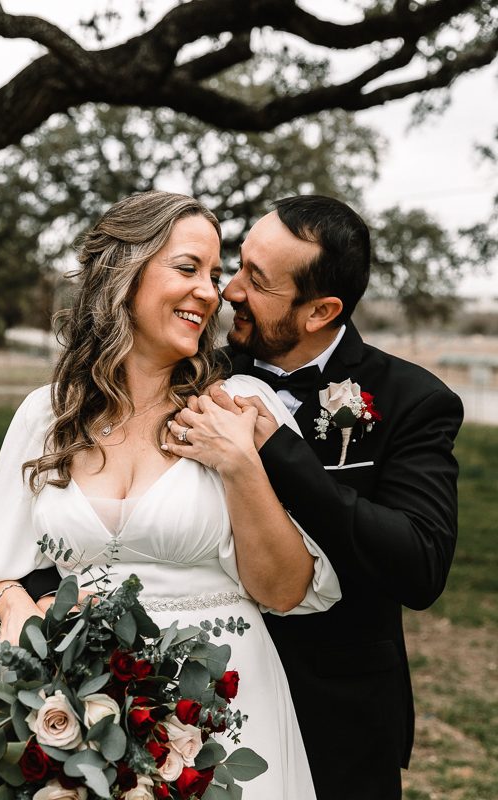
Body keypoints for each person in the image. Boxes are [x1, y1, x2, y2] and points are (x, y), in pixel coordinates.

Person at [0, 190, 342, 799]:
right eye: (189, 269)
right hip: (86, 703)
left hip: (221, 707)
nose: (210, 292)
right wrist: (19, 612)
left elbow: (285, 590)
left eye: (214, 275)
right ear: (122, 273)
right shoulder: (47, 416)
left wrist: (238, 463)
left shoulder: (241, 409)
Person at [162, 195, 464, 800]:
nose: (230, 292)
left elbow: (419, 566)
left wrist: (277, 450)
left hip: (337, 720)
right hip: (200, 710)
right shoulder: (190, 379)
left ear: (321, 310)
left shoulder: (412, 399)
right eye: (238, 266)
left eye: (257, 281)